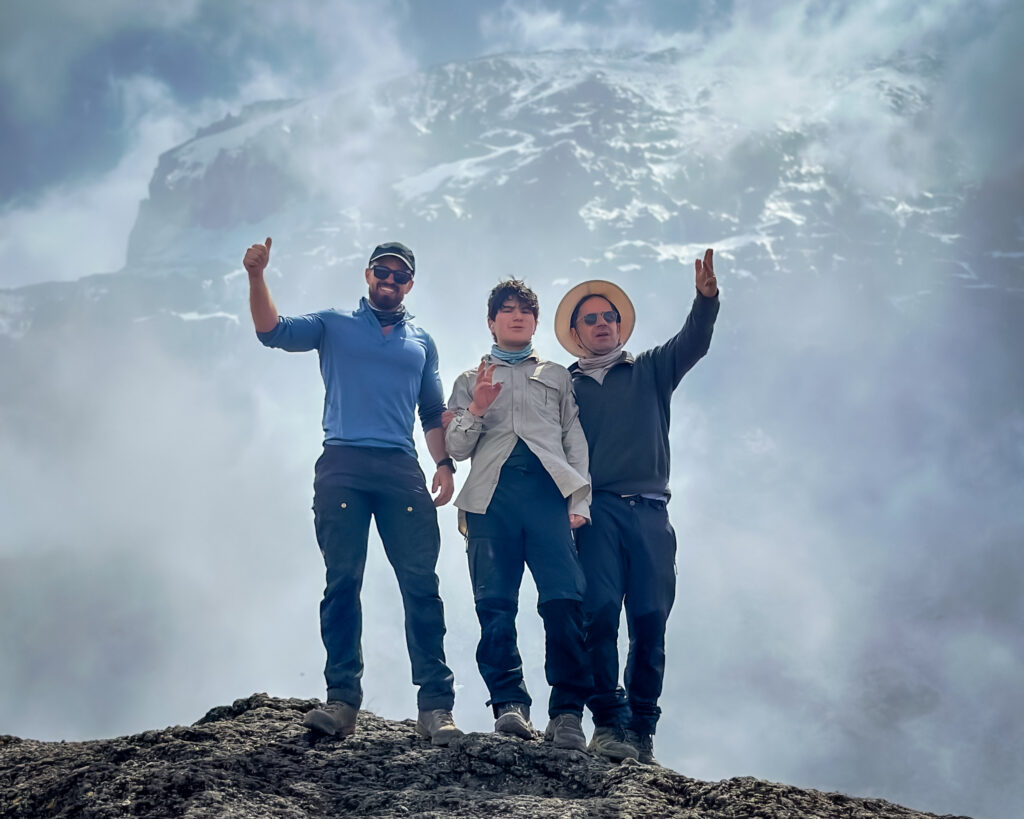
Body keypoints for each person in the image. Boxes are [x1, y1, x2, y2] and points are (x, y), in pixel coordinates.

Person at [243, 237, 462, 746]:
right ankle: (341, 701)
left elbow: (431, 413)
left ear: (410, 284)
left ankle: (436, 708)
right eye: (381, 272)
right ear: (367, 275)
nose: (389, 281)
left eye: (399, 275)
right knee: (343, 581)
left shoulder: (422, 342)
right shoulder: (333, 324)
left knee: (421, 585)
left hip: (401, 467)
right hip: (342, 461)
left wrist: (445, 463)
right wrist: (256, 277)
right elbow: (271, 332)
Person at [553, 249, 720, 764]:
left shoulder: (649, 370)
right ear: (577, 333)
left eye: (609, 317)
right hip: (595, 513)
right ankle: (608, 720)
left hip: (650, 513)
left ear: (621, 328)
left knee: (650, 615)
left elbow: (693, 342)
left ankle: (642, 727)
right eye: (591, 319)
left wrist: (706, 300)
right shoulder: (564, 387)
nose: (602, 324)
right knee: (599, 613)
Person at [444, 279, 594, 751]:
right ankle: (509, 706)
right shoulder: (470, 379)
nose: (516, 317)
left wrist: (580, 500)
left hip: (548, 496)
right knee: (495, 604)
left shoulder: (555, 375)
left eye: (525, 311)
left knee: (564, 601)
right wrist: (477, 408)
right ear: (491, 321)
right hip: (491, 501)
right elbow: (456, 446)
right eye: (506, 310)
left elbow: (574, 438)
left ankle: (567, 715)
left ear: (534, 320)